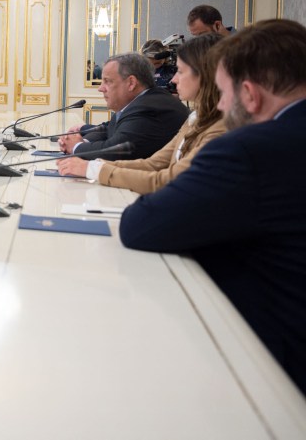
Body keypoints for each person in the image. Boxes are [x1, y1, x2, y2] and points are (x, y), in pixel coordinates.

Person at [119, 19, 306, 394]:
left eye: (222, 92)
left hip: (275, 373)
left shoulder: (249, 149)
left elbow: (141, 225)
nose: (220, 105)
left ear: (250, 95)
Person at [57, 34, 226, 192]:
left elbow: (168, 180)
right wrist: (91, 166)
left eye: (180, 71)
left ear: (206, 75)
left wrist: (92, 169)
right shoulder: (194, 119)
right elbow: (152, 164)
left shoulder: (221, 130)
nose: (173, 79)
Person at [58, 52, 188, 160]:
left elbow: (114, 150)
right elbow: (110, 128)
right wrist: (81, 140)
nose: (101, 89)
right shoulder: (142, 101)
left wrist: (76, 147)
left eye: (107, 81)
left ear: (131, 83)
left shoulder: (150, 107)